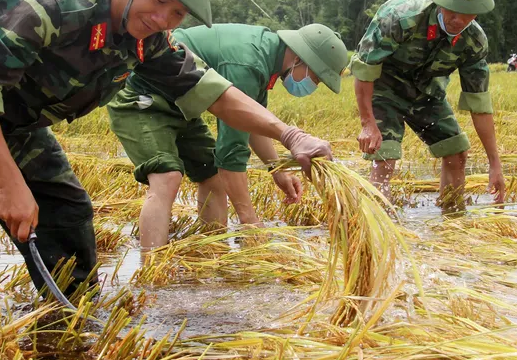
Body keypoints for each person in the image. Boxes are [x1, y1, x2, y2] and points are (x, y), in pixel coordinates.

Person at [0, 0, 332, 326]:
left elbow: (214, 92)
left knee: (66, 212)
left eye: (177, 15)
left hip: (16, 117)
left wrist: (288, 135)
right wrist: (10, 183)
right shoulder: (47, 1)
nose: (162, 20)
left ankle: (70, 321)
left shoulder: (148, 40)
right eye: (159, 1)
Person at [108, 23, 348, 248]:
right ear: (298, 58)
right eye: (315, 77)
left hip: (181, 103)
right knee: (167, 176)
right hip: (141, 94)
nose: (312, 84)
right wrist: (250, 221)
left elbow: (252, 122)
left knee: (211, 176)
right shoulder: (248, 63)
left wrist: (277, 170)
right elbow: (231, 155)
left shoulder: (266, 56)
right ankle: (153, 272)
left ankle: (212, 250)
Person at [351, 0, 506, 210]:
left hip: (427, 93)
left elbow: (479, 104)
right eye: (452, 10)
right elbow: (364, 69)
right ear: (440, 2)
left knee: (456, 151)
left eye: (467, 13)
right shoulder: (401, 17)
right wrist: (368, 124)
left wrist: (494, 163)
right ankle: (378, 224)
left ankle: (452, 220)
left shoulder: (473, 42)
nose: (458, 19)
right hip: (384, 88)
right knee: (385, 157)